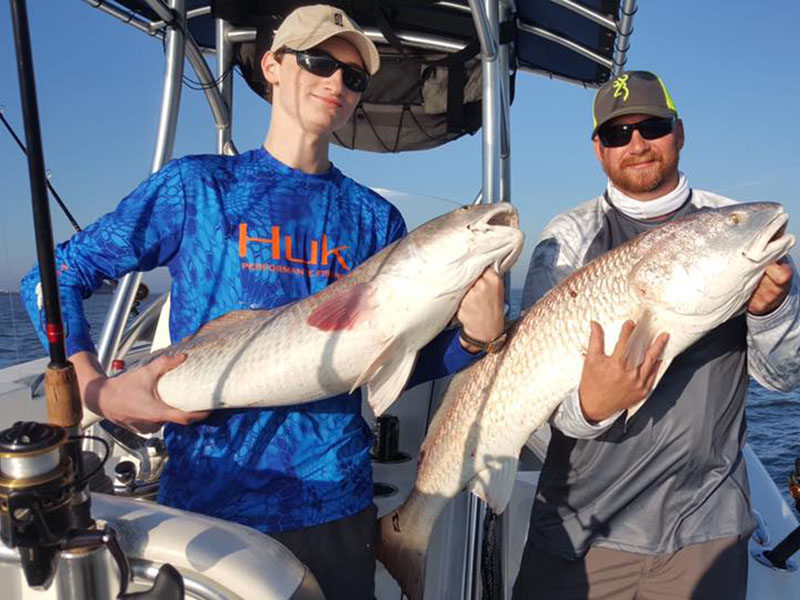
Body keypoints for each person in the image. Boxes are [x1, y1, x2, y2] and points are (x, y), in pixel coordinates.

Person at [20, 5, 506, 598]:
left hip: (334, 504)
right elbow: (51, 278)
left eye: (354, 77)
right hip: (210, 505)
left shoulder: (377, 221)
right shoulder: (195, 188)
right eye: (319, 62)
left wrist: (470, 343)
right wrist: (97, 388)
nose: (336, 83)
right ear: (273, 66)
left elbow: (392, 367)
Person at [512, 70, 800, 599]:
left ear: (680, 132)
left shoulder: (735, 227)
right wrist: (590, 409)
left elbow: (784, 377)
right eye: (619, 134)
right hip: (580, 528)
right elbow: (532, 394)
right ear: (598, 149)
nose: (638, 144)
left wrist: (773, 309)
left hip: (702, 529)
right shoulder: (568, 238)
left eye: (653, 127)